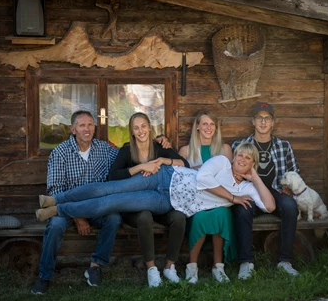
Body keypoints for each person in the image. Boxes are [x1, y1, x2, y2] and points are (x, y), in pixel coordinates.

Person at [36, 143, 276, 282]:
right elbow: (202, 178)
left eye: (248, 158)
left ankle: (60, 209)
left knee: (112, 203)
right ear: (234, 157)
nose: (242, 159)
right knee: (109, 188)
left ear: (253, 162)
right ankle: (57, 198)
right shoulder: (222, 162)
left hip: (167, 201)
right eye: (240, 155)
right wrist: (233, 198)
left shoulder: (246, 186)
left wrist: (254, 177)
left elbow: (269, 206)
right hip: (165, 176)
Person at [31, 110, 122, 295]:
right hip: (66, 209)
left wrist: (159, 140)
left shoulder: (104, 149)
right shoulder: (61, 152)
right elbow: (55, 190)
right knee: (55, 225)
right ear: (73, 129)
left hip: (95, 208)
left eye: (90, 125)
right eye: (82, 125)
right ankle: (44, 276)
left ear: (94, 128)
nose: (87, 129)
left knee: (113, 218)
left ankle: (95, 266)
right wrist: (78, 216)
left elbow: (127, 155)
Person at [107, 112, 189, 287]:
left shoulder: (159, 147)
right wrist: (140, 167)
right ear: (132, 131)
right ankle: (151, 269)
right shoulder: (126, 150)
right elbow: (112, 176)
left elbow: (185, 164)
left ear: (150, 127)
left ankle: (169, 266)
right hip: (136, 207)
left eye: (143, 126)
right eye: (136, 128)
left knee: (179, 217)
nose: (141, 131)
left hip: (159, 203)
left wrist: (164, 161)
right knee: (144, 216)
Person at [232, 102, 300, 278]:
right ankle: (246, 263)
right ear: (253, 121)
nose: (263, 122)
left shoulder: (284, 146)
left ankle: (285, 261)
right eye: (259, 118)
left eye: (267, 118)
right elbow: (231, 171)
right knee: (241, 210)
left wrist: (289, 189)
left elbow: (294, 172)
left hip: (276, 191)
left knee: (290, 207)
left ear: (273, 122)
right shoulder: (240, 145)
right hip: (249, 191)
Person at [178, 111, 235, 283]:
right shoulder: (186, 151)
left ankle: (218, 267)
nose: (208, 128)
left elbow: (229, 178)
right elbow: (181, 179)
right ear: (197, 126)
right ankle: (192, 267)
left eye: (212, 124)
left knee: (221, 214)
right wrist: (206, 172)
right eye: (204, 124)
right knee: (201, 217)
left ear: (216, 128)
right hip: (196, 202)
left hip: (219, 200)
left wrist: (200, 171)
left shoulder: (224, 149)